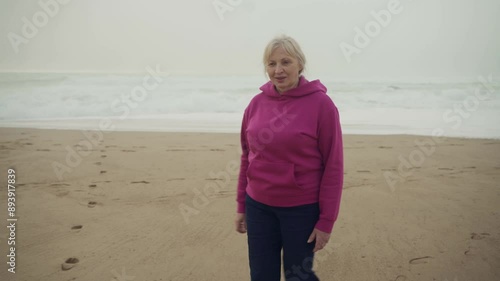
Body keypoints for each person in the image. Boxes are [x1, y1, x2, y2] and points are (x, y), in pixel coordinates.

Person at [234, 34, 344, 281]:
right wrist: (242, 205)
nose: (278, 70)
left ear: (300, 64)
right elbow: (247, 157)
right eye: (271, 64)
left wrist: (326, 221)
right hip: (258, 207)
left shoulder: (322, 105)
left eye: (286, 62)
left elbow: (333, 167)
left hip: (301, 210)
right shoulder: (256, 104)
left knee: (299, 277)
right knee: (262, 275)